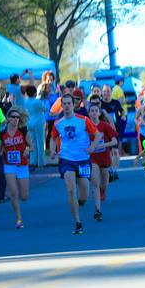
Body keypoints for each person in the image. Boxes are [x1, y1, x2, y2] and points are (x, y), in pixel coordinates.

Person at [50, 94, 101, 234]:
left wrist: (92, 147)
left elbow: (97, 135)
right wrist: (53, 151)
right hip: (66, 159)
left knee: (84, 194)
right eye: (64, 103)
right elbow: (53, 138)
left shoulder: (83, 120)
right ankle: (78, 222)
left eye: (69, 103)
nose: (66, 106)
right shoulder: (58, 123)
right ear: (62, 106)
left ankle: (80, 203)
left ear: (74, 105)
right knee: (71, 189)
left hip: (83, 159)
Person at [0, 108, 33, 229]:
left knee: (24, 197)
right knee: (13, 193)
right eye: (13, 117)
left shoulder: (23, 130)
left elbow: (31, 146)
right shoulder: (2, 133)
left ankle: (20, 213)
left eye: (18, 118)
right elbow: (0, 151)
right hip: (9, 165)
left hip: (22, 165)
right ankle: (19, 219)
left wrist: (27, 150)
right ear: (8, 119)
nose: (16, 120)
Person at [87, 104, 118, 210]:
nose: (94, 113)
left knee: (104, 181)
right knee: (95, 181)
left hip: (104, 157)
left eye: (96, 111)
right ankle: (97, 208)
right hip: (92, 158)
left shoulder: (104, 125)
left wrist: (103, 145)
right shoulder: (85, 126)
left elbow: (115, 141)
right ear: (89, 113)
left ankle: (102, 191)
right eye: (92, 111)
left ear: (99, 113)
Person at [23, 85, 46, 168]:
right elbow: (45, 108)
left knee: (32, 143)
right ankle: (41, 162)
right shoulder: (37, 102)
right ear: (35, 93)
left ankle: (33, 161)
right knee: (40, 143)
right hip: (38, 123)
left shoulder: (25, 102)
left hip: (29, 122)